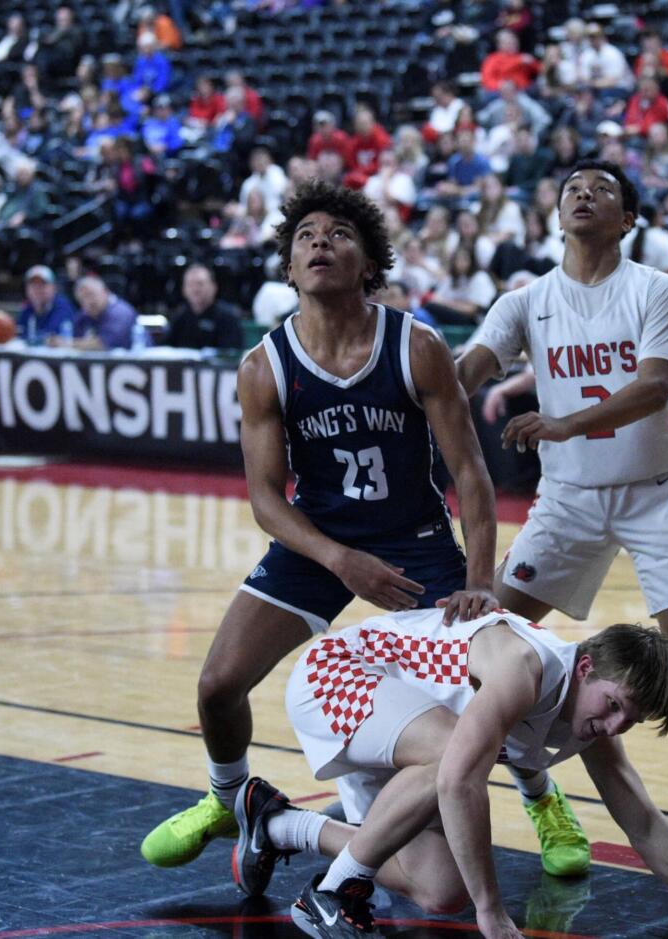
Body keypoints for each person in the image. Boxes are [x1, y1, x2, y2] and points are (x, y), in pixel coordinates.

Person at [138, 181, 507, 887]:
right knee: (217, 684)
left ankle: (548, 800)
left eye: (339, 233)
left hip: (418, 541)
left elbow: (473, 477)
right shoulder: (264, 367)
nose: (319, 243)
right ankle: (229, 799)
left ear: (370, 264)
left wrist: (481, 581)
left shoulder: (417, 346)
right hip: (320, 542)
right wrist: (340, 559)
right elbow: (266, 499)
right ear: (286, 266)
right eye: (306, 234)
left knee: (501, 680)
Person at [457, 160, 668, 871]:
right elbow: (465, 371)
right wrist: (415, 382)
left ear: (628, 218)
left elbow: (656, 383)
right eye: (572, 185)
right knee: (488, 643)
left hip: (652, 491)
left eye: (601, 188)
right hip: (567, 499)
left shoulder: (656, 288)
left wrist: (565, 422)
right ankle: (538, 793)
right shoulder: (526, 300)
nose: (581, 192)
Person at [233, 610, 668, 939]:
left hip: (404, 730)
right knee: (455, 761)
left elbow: (645, 825)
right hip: (340, 676)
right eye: (613, 705)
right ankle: (330, 894)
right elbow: (458, 780)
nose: (613, 725)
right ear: (585, 667)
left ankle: (278, 824)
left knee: (440, 890)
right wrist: (494, 913)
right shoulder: (522, 667)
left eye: (630, 720)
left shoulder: (590, 718)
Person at [166, 263, 244, 350]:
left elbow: (231, 354)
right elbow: (167, 349)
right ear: (183, 289)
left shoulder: (228, 317)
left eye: (200, 284)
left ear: (214, 287)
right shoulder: (179, 317)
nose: (195, 289)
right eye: (190, 284)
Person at [65, 275, 141, 350]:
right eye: (82, 299)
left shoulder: (121, 312)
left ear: (105, 292)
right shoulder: (84, 315)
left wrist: (67, 343)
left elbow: (105, 344)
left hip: (136, 360)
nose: (88, 302)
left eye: (91, 294)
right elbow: (75, 339)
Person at [8, 265, 78, 342]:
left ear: (54, 287)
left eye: (43, 284)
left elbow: (52, 336)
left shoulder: (62, 307)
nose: (37, 289)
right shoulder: (28, 308)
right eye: (33, 285)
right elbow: (18, 333)